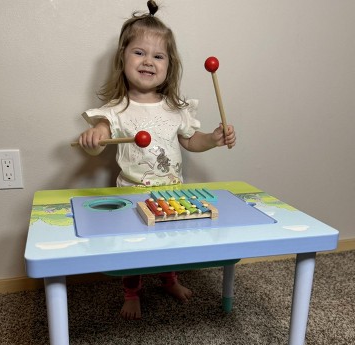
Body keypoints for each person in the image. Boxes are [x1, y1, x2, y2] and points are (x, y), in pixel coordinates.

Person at [77, 0, 236, 320]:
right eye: (139, 52)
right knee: (133, 248)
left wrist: (213, 138)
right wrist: (94, 137)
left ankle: (169, 280)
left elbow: (190, 141)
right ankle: (131, 293)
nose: (148, 61)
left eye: (158, 56)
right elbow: (100, 141)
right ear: (123, 57)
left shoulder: (175, 108)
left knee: (169, 243)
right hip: (132, 194)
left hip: (172, 191)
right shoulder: (116, 110)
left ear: (169, 65)